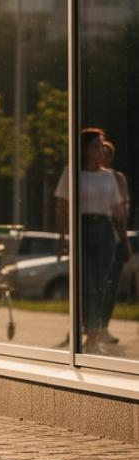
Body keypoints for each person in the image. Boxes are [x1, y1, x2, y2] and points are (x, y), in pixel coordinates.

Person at [55, 128, 129, 353]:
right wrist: (61, 237)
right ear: (85, 149)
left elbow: (117, 211)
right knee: (84, 284)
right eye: (96, 146)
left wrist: (124, 241)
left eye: (102, 145)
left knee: (99, 286)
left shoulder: (108, 176)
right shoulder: (71, 174)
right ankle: (85, 332)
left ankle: (93, 339)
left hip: (104, 231)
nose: (101, 150)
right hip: (81, 229)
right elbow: (61, 208)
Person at [100, 141, 130, 345]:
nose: (105, 157)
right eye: (102, 152)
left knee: (111, 286)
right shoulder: (88, 177)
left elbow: (122, 208)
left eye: (109, 154)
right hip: (99, 236)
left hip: (116, 238)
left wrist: (125, 239)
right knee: (94, 284)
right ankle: (87, 326)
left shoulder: (117, 178)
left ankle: (103, 327)